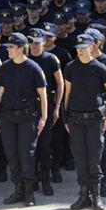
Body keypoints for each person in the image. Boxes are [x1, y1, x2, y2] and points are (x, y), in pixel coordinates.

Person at [63, 33, 106, 210]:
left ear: (91, 47)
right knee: (79, 156)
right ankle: (83, 195)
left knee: (94, 157)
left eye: (84, 47)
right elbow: (67, 94)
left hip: (94, 118)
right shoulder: (71, 67)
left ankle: (96, 196)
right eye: (78, 48)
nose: (80, 51)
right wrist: (66, 117)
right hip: (76, 118)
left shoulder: (100, 67)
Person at [0, 33, 48, 207]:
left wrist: (44, 117)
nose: (8, 50)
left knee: (26, 153)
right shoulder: (5, 67)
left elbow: (43, 94)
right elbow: (1, 91)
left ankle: (29, 192)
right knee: (11, 153)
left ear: (21, 48)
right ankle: (18, 189)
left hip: (28, 116)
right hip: (8, 116)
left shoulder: (33, 67)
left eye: (11, 47)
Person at [27, 28, 64, 197]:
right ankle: (33, 179)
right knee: (30, 146)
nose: (34, 46)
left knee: (45, 145)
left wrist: (56, 107)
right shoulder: (24, 60)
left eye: (38, 43)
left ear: (44, 42)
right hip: (28, 107)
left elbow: (60, 83)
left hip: (46, 105)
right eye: (32, 43)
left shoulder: (51, 59)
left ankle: (46, 180)